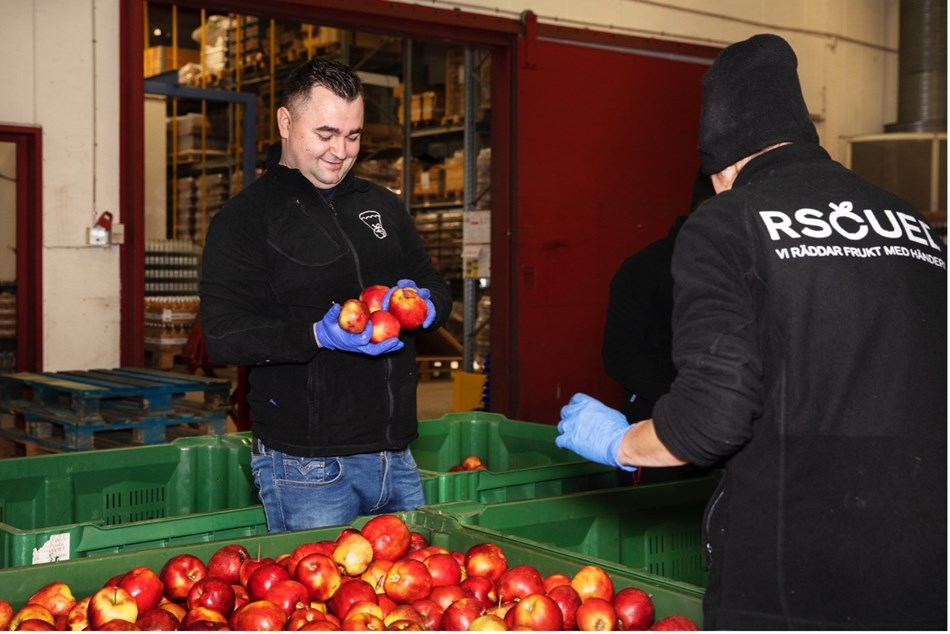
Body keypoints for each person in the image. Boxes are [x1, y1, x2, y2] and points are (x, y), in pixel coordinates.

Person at [556, 34, 947, 630]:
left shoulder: (728, 221)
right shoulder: (910, 221)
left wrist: (622, 441)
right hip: (925, 568)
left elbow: (711, 421)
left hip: (797, 580)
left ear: (720, 163)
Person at [199, 57, 452, 532]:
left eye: (353, 136)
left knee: (414, 599)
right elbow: (225, 334)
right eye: (326, 134)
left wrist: (427, 305)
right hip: (308, 466)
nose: (341, 151)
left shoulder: (380, 205)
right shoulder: (245, 220)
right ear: (286, 122)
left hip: (395, 455)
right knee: (318, 605)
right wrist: (316, 334)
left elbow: (432, 282)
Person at [602, 173, 715, 484]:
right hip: (657, 436)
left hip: (728, 436)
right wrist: (687, 399)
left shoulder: (744, 268)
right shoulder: (646, 268)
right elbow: (619, 353)